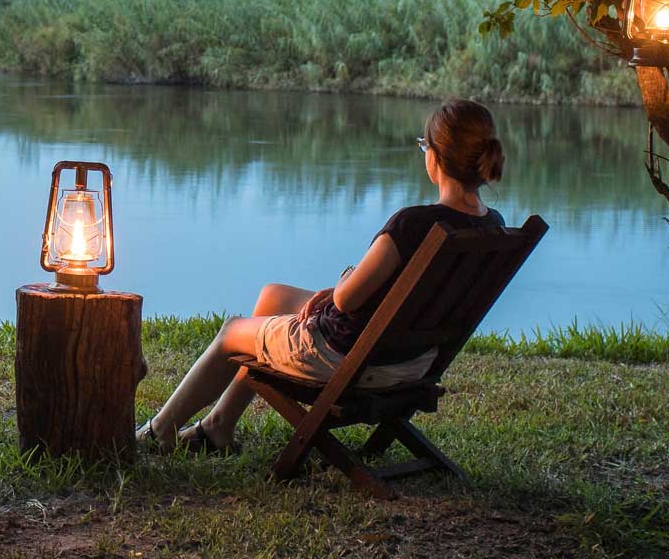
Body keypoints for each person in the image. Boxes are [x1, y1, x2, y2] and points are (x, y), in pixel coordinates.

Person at [136, 98, 508, 454]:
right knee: (273, 297)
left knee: (233, 332)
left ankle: (159, 431)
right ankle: (219, 425)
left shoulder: (413, 224)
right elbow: (400, 290)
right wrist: (336, 291)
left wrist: (344, 280)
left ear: (437, 157)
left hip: (347, 358)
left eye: (424, 145)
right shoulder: (491, 228)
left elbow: (348, 300)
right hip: (411, 362)